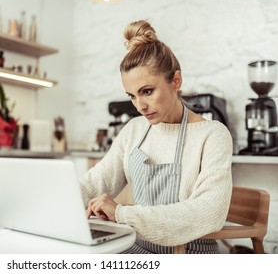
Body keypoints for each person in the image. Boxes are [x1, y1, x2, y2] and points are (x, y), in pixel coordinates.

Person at [80, 20, 233, 254]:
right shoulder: (134, 129)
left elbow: (209, 211)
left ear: (176, 81)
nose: (140, 105)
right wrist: (46, 203)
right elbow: (95, 183)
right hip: (137, 247)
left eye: (147, 91)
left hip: (189, 253)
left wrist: (121, 214)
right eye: (132, 96)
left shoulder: (212, 135)